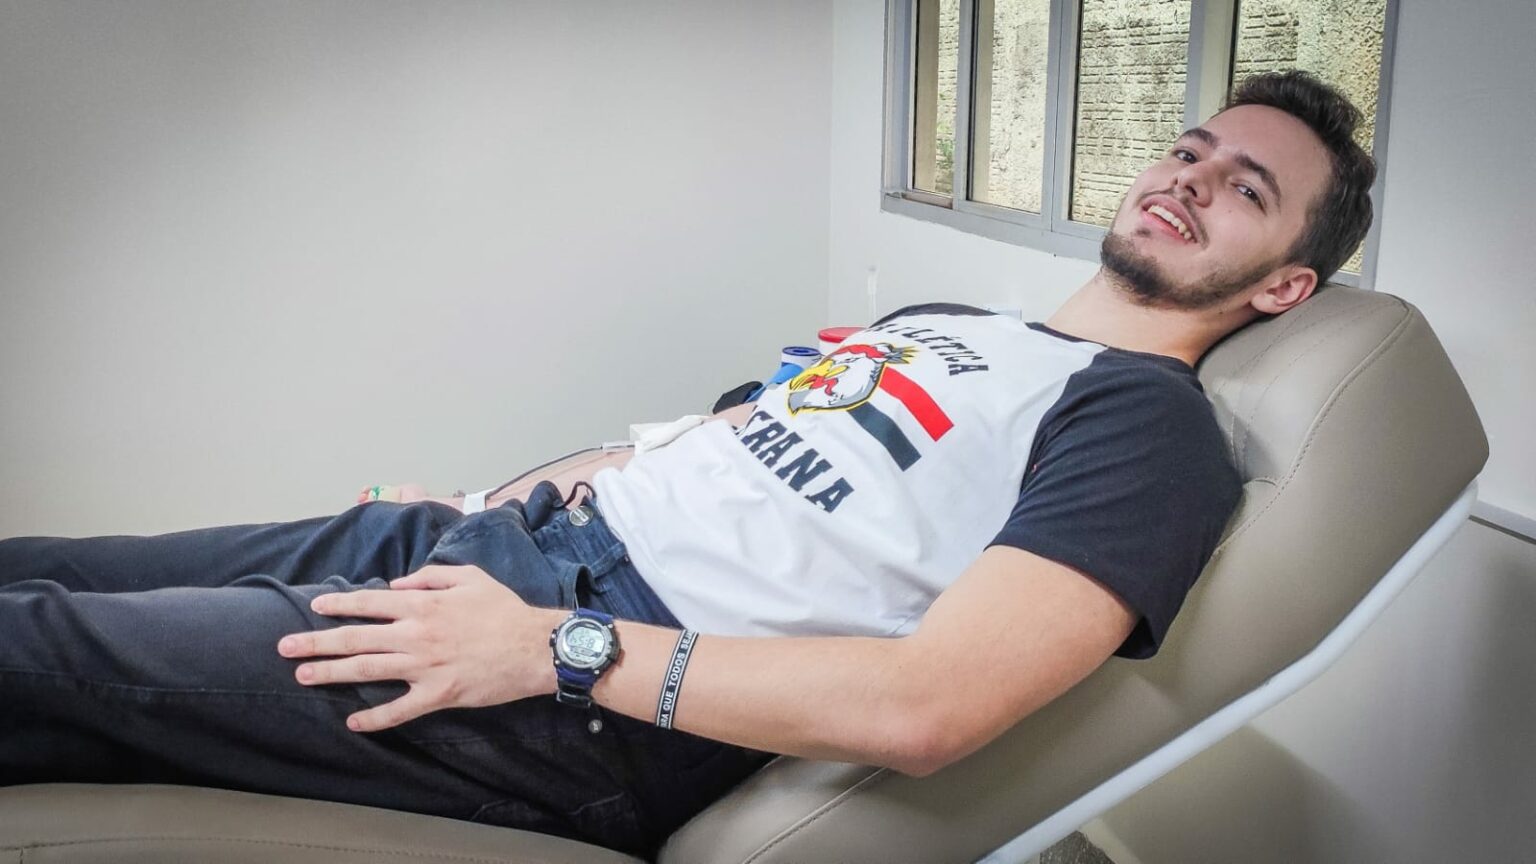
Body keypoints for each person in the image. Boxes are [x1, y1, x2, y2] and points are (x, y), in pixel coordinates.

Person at [0, 70, 1375, 856]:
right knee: (51, 569)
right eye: (1192, 151)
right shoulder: (949, 325)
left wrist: (551, 649)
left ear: (1283, 287)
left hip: (582, 686)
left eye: (1244, 189)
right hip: (494, 553)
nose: (1189, 180)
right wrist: (474, 505)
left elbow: (931, 707)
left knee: (40, 649)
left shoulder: (1148, 428)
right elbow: (686, 448)